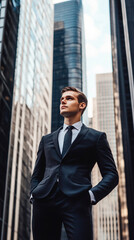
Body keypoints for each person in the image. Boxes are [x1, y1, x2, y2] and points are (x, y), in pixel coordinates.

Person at [30, 86, 119, 240]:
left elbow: (111, 174)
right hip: (44, 200)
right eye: (62, 99)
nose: (63, 101)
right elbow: (37, 173)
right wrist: (34, 193)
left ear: (81, 105)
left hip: (77, 201)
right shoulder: (47, 139)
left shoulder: (96, 137)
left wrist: (91, 195)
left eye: (69, 98)